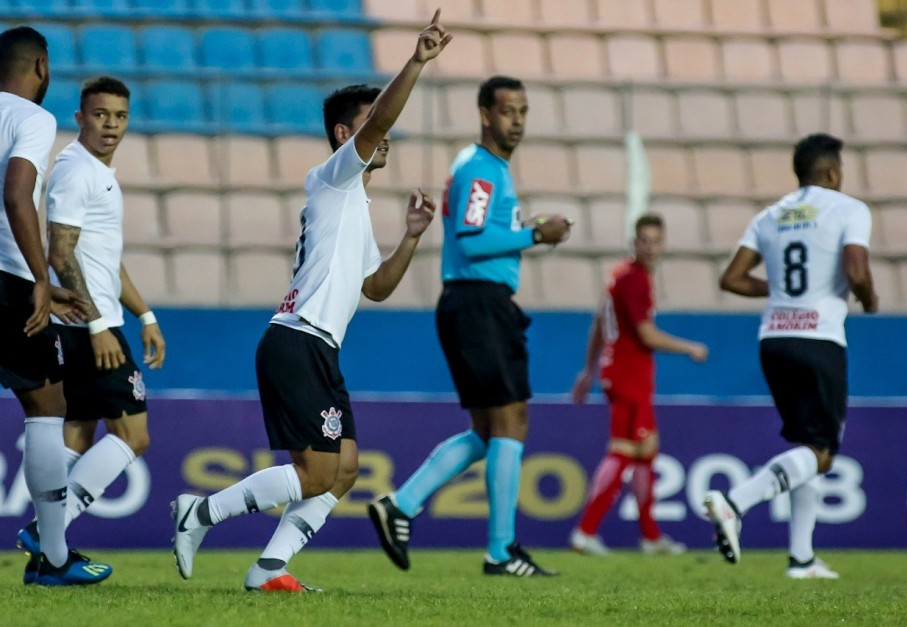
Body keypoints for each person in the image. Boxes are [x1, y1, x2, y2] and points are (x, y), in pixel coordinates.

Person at [171, 10, 451, 592]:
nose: (385, 138)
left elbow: (376, 288)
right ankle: (200, 514)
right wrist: (417, 61)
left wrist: (412, 237)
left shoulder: (356, 209)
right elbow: (379, 121)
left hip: (317, 347)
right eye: (371, 127)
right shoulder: (332, 178)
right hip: (298, 340)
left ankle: (270, 569)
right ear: (345, 136)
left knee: (343, 470)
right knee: (316, 470)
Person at [368, 75, 573, 577]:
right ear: (485, 114)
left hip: (473, 302)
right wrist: (535, 235)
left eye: (523, 111)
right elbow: (470, 237)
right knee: (511, 420)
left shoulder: (487, 170)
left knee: (489, 429)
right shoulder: (481, 171)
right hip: (479, 301)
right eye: (508, 111)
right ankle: (500, 551)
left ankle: (403, 504)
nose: (517, 121)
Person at [705, 133, 878, 579]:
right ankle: (733, 502)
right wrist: (869, 298)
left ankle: (801, 558)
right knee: (822, 452)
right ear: (833, 172)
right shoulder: (849, 209)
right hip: (819, 339)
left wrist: (776, 291)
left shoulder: (770, 215)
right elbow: (857, 269)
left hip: (774, 340)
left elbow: (732, 278)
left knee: (805, 446)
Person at [15, 76, 166, 558]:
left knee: (78, 433)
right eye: (101, 115)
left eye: (120, 116)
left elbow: (103, 259)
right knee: (133, 436)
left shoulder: (98, 171)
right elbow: (61, 254)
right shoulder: (77, 171)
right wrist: (101, 325)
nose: (111, 125)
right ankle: (46, 534)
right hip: (87, 328)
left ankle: (46, 543)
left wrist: (144, 314)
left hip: (93, 322)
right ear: (80, 118)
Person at [0, 25, 111, 586]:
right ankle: (54, 557)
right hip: (7, 280)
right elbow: (16, 192)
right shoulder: (32, 117)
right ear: (40, 67)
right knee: (47, 407)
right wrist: (39, 278)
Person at [569, 214, 707, 556]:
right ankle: (585, 532)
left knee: (646, 452)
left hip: (623, 372)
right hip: (629, 375)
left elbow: (600, 323)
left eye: (655, 240)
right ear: (635, 243)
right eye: (643, 240)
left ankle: (650, 537)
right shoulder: (634, 281)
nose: (649, 247)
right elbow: (645, 334)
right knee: (624, 451)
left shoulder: (621, 275)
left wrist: (589, 370)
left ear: (663, 244)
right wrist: (688, 347)